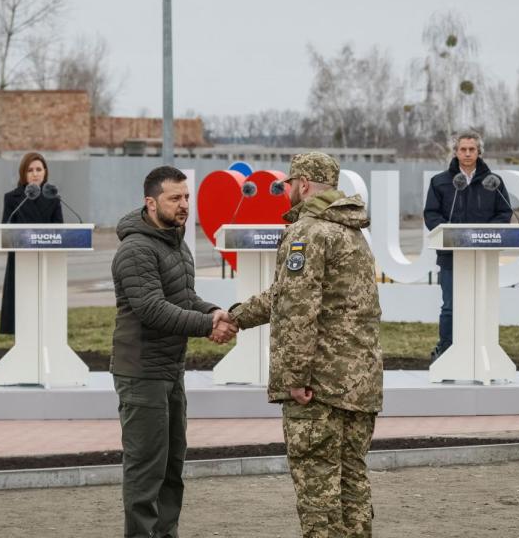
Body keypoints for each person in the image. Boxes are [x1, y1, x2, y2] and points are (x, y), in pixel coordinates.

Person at [230, 151, 383, 538]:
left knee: (318, 489)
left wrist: (295, 378)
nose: (285, 192)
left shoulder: (307, 231)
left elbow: (298, 309)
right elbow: (289, 295)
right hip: (358, 384)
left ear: (302, 184)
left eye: (287, 185)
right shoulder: (351, 230)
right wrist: (235, 317)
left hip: (319, 387)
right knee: (352, 483)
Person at [110, 165, 236, 538]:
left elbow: (183, 298)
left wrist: (212, 311)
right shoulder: (136, 249)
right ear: (151, 203)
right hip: (142, 372)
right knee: (145, 470)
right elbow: (152, 309)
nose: (184, 205)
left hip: (169, 369)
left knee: (170, 469)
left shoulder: (174, 241)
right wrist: (207, 326)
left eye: (186, 197)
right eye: (174, 198)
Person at [423, 130, 512, 360]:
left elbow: (504, 213)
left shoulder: (493, 183)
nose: (467, 153)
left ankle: (482, 352)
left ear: (479, 152)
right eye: (463, 149)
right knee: (450, 307)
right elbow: (431, 215)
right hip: (451, 256)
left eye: (472, 149)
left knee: (482, 306)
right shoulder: (440, 182)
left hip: (483, 257)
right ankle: (446, 350)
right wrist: (451, 233)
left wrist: (485, 233)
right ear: (456, 152)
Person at [0, 152, 63, 334]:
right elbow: (7, 229)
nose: (35, 174)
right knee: (22, 309)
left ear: (45, 172)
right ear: (23, 174)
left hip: (46, 261)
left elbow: (60, 230)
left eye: (39, 169)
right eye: (30, 170)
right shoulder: (12, 198)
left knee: (44, 313)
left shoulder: (53, 198)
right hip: (21, 261)